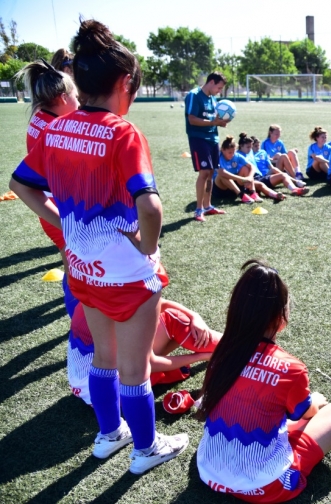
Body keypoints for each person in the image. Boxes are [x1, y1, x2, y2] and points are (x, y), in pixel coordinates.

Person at [10, 18, 188, 474]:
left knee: (103, 360)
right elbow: (150, 206)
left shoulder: (57, 129)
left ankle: (109, 436)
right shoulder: (123, 133)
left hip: (82, 268)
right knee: (135, 370)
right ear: (125, 82)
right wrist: (148, 248)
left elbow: (21, 184)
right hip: (127, 274)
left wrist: (63, 226)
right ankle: (145, 450)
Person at [197, 260, 331, 503]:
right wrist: (315, 401)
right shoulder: (290, 368)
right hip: (266, 487)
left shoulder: (222, 352)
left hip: (208, 472)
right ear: (281, 316)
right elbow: (304, 414)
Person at [16, 59, 80, 317]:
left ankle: (76, 316)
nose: (79, 101)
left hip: (51, 206)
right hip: (55, 208)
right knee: (77, 271)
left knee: (72, 265)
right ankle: (79, 323)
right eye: (76, 95)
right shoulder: (54, 128)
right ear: (63, 98)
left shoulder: (41, 117)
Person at [69, 297, 222, 405]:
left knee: (164, 317)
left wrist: (195, 315)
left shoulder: (99, 293)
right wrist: (201, 357)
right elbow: (151, 363)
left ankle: (232, 346)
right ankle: (238, 347)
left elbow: (160, 304)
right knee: (173, 320)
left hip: (89, 387)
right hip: (116, 395)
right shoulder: (120, 312)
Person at [185, 72, 229, 222]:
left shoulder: (213, 99)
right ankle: (198, 210)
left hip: (213, 138)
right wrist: (213, 123)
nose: (219, 91)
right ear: (211, 82)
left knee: (211, 173)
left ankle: (208, 206)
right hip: (198, 138)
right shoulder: (194, 95)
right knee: (204, 173)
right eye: (219, 87)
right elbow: (192, 119)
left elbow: (213, 119)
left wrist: (221, 122)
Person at [240, 134, 306, 197]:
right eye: (254, 146)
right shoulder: (244, 155)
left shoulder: (261, 152)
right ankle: (276, 195)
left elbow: (270, 165)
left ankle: (295, 188)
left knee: (282, 173)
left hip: (263, 176)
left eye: (258, 145)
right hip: (257, 178)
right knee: (262, 184)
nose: (257, 147)